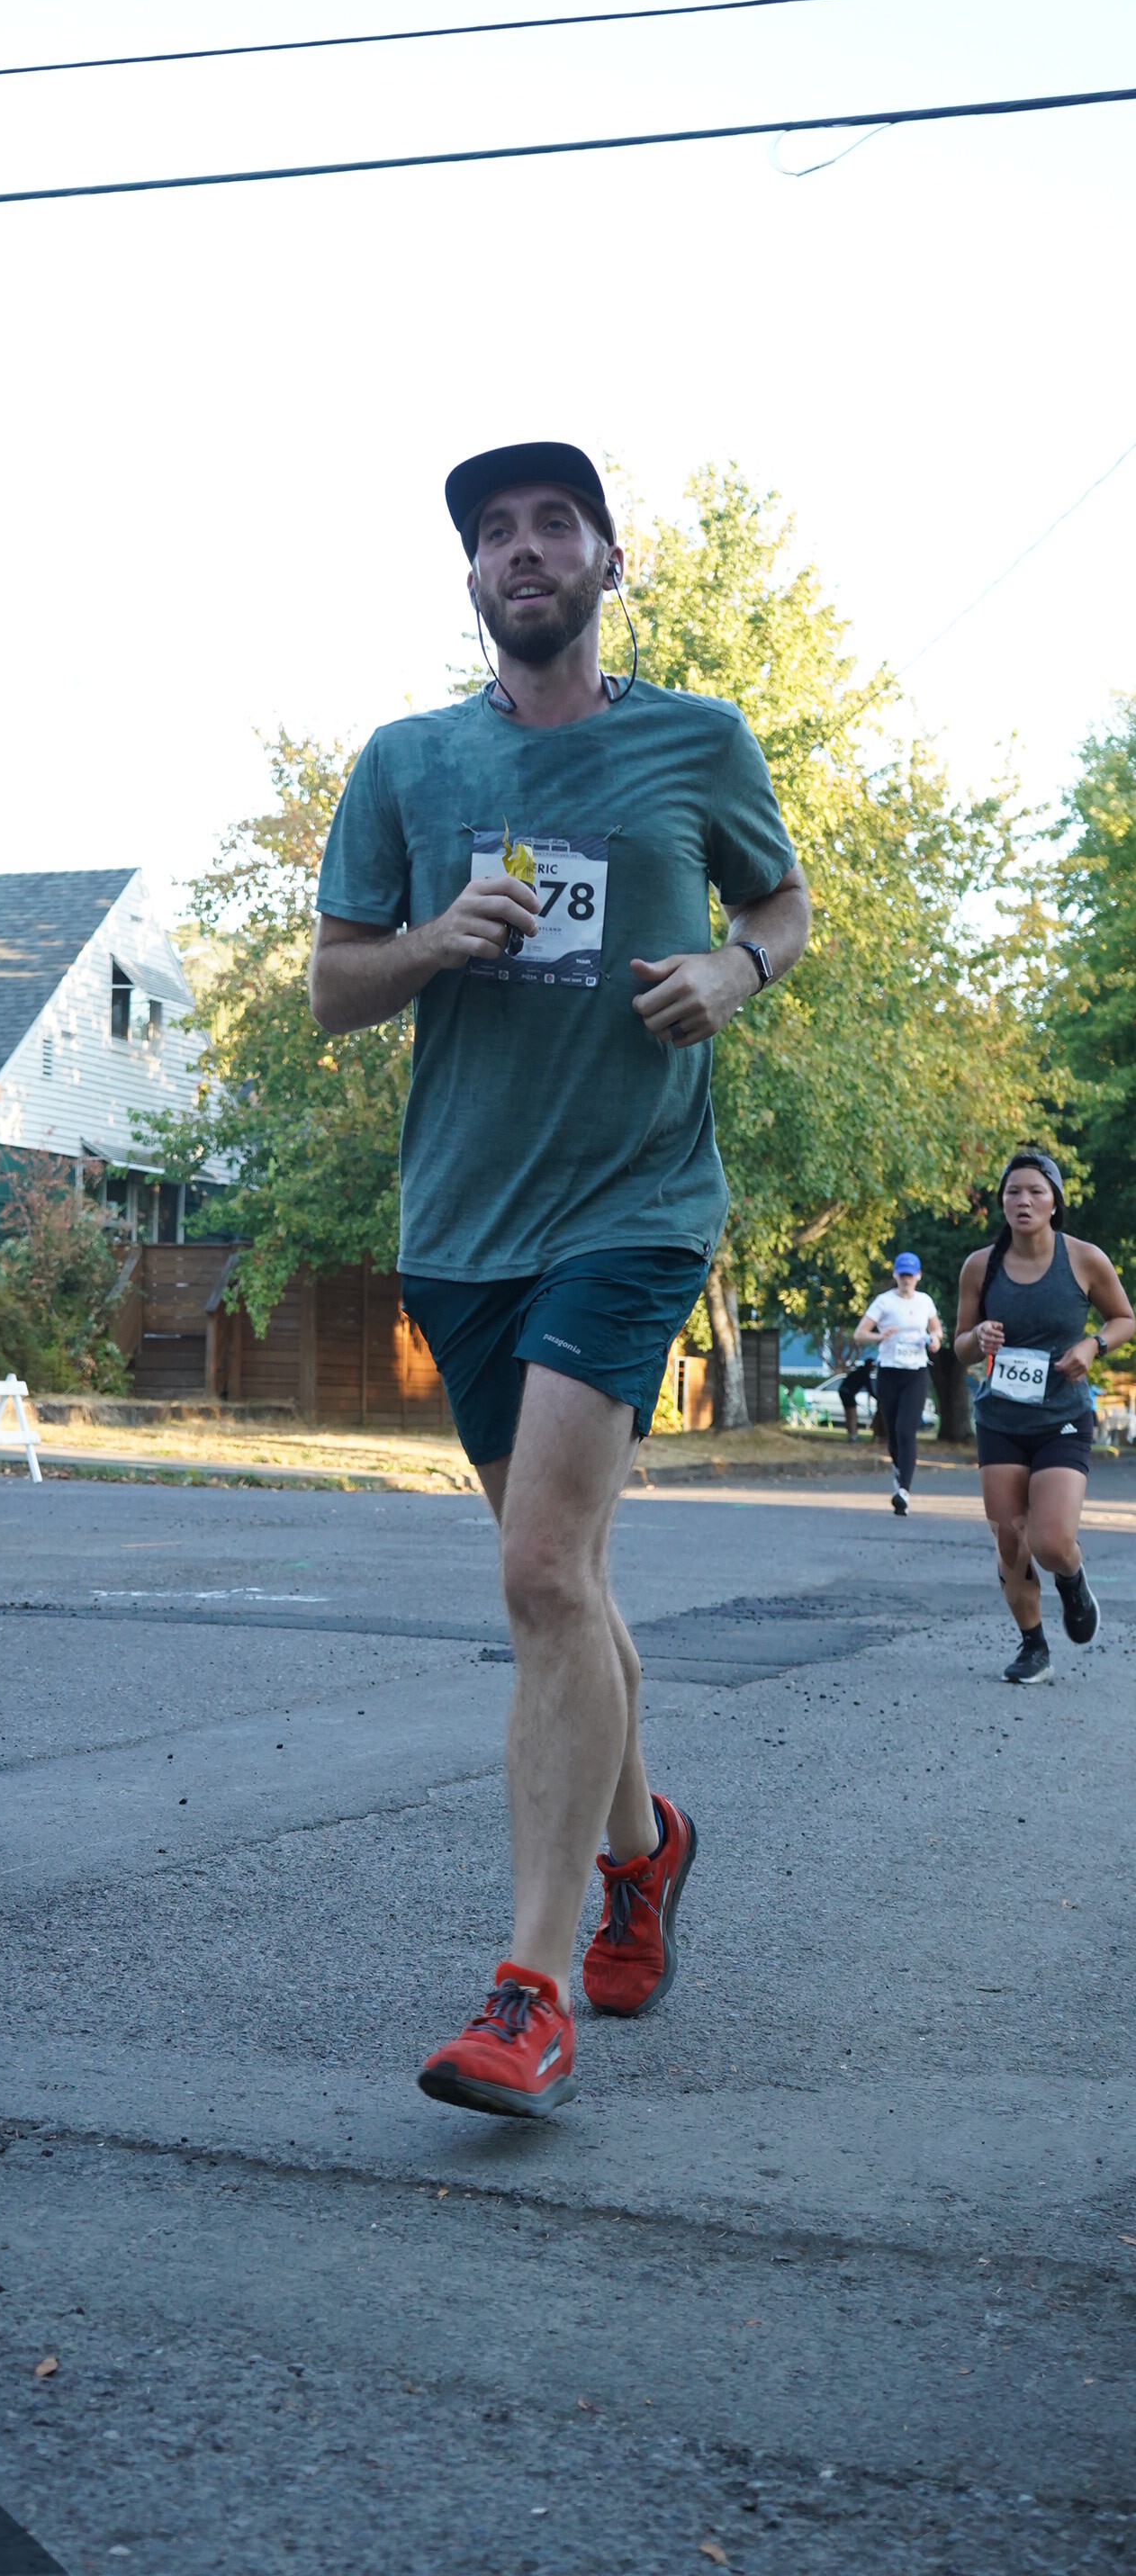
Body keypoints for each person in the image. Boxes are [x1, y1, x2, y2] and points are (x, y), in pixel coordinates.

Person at [308, 442, 810, 2117]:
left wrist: (734, 971)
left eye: (553, 524)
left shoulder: (697, 740)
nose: (523, 550)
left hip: (635, 1202)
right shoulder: (406, 762)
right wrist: (431, 940)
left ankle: (526, 1993)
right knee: (567, 1581)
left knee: (536, 1569)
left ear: (608, 559)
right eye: (494, 533)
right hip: (464, 1224)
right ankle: (643, 1849)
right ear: (472, 578)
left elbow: (783, 900)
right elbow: (332, 989)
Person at [953, 1149, 1132, 1685]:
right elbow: (960, 1348)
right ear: (1002, 1203)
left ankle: (1072, 1579)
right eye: (1013, 1192)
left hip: (1062, 1418)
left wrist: (1093, 1345)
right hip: (1001, 1420)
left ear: (1055, 1202)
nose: (1024, 1200)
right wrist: (978, 1337)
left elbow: (1124, 1319)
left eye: (1036, 1191)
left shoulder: (1084, 1259)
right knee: (1011, 1542)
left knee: (1050, 1542)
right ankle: (1034, 1646)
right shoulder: (980, 1266)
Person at [853, 1253, 942, 1514]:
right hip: (889, 1372)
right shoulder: (884, 1302)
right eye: (902, 1275)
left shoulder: (925, 1301)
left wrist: (934, 1340)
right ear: (895, 1275)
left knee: (906, 1430)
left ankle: (903, 1491)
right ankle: (898, 1468)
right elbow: (860, 1334)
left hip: (916, 1372)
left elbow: (936, 1330)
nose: (906, 1280)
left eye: (910, 1275)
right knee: (893, 1433)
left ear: (918, 1276)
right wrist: (880, 1336)